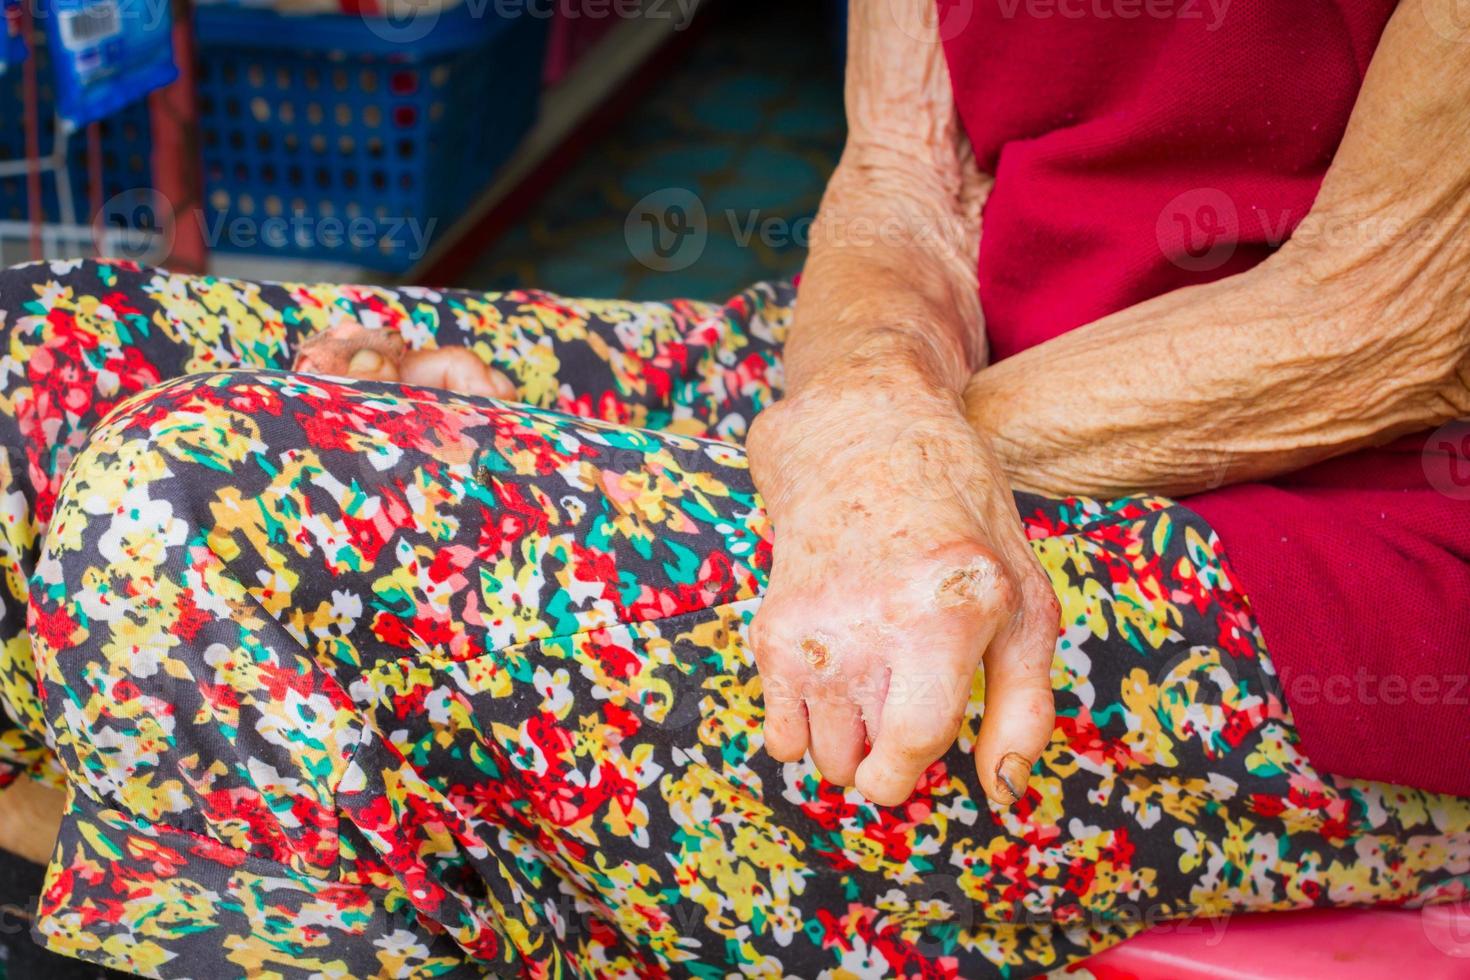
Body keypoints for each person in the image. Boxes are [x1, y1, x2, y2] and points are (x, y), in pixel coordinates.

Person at [0, 0, 1467, 974]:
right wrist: (853, 412)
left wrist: (786, 475)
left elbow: (1397, 313)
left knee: (203, 499)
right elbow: (903, 172)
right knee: (48, 365)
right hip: (935, 381)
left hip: (1334, 538)